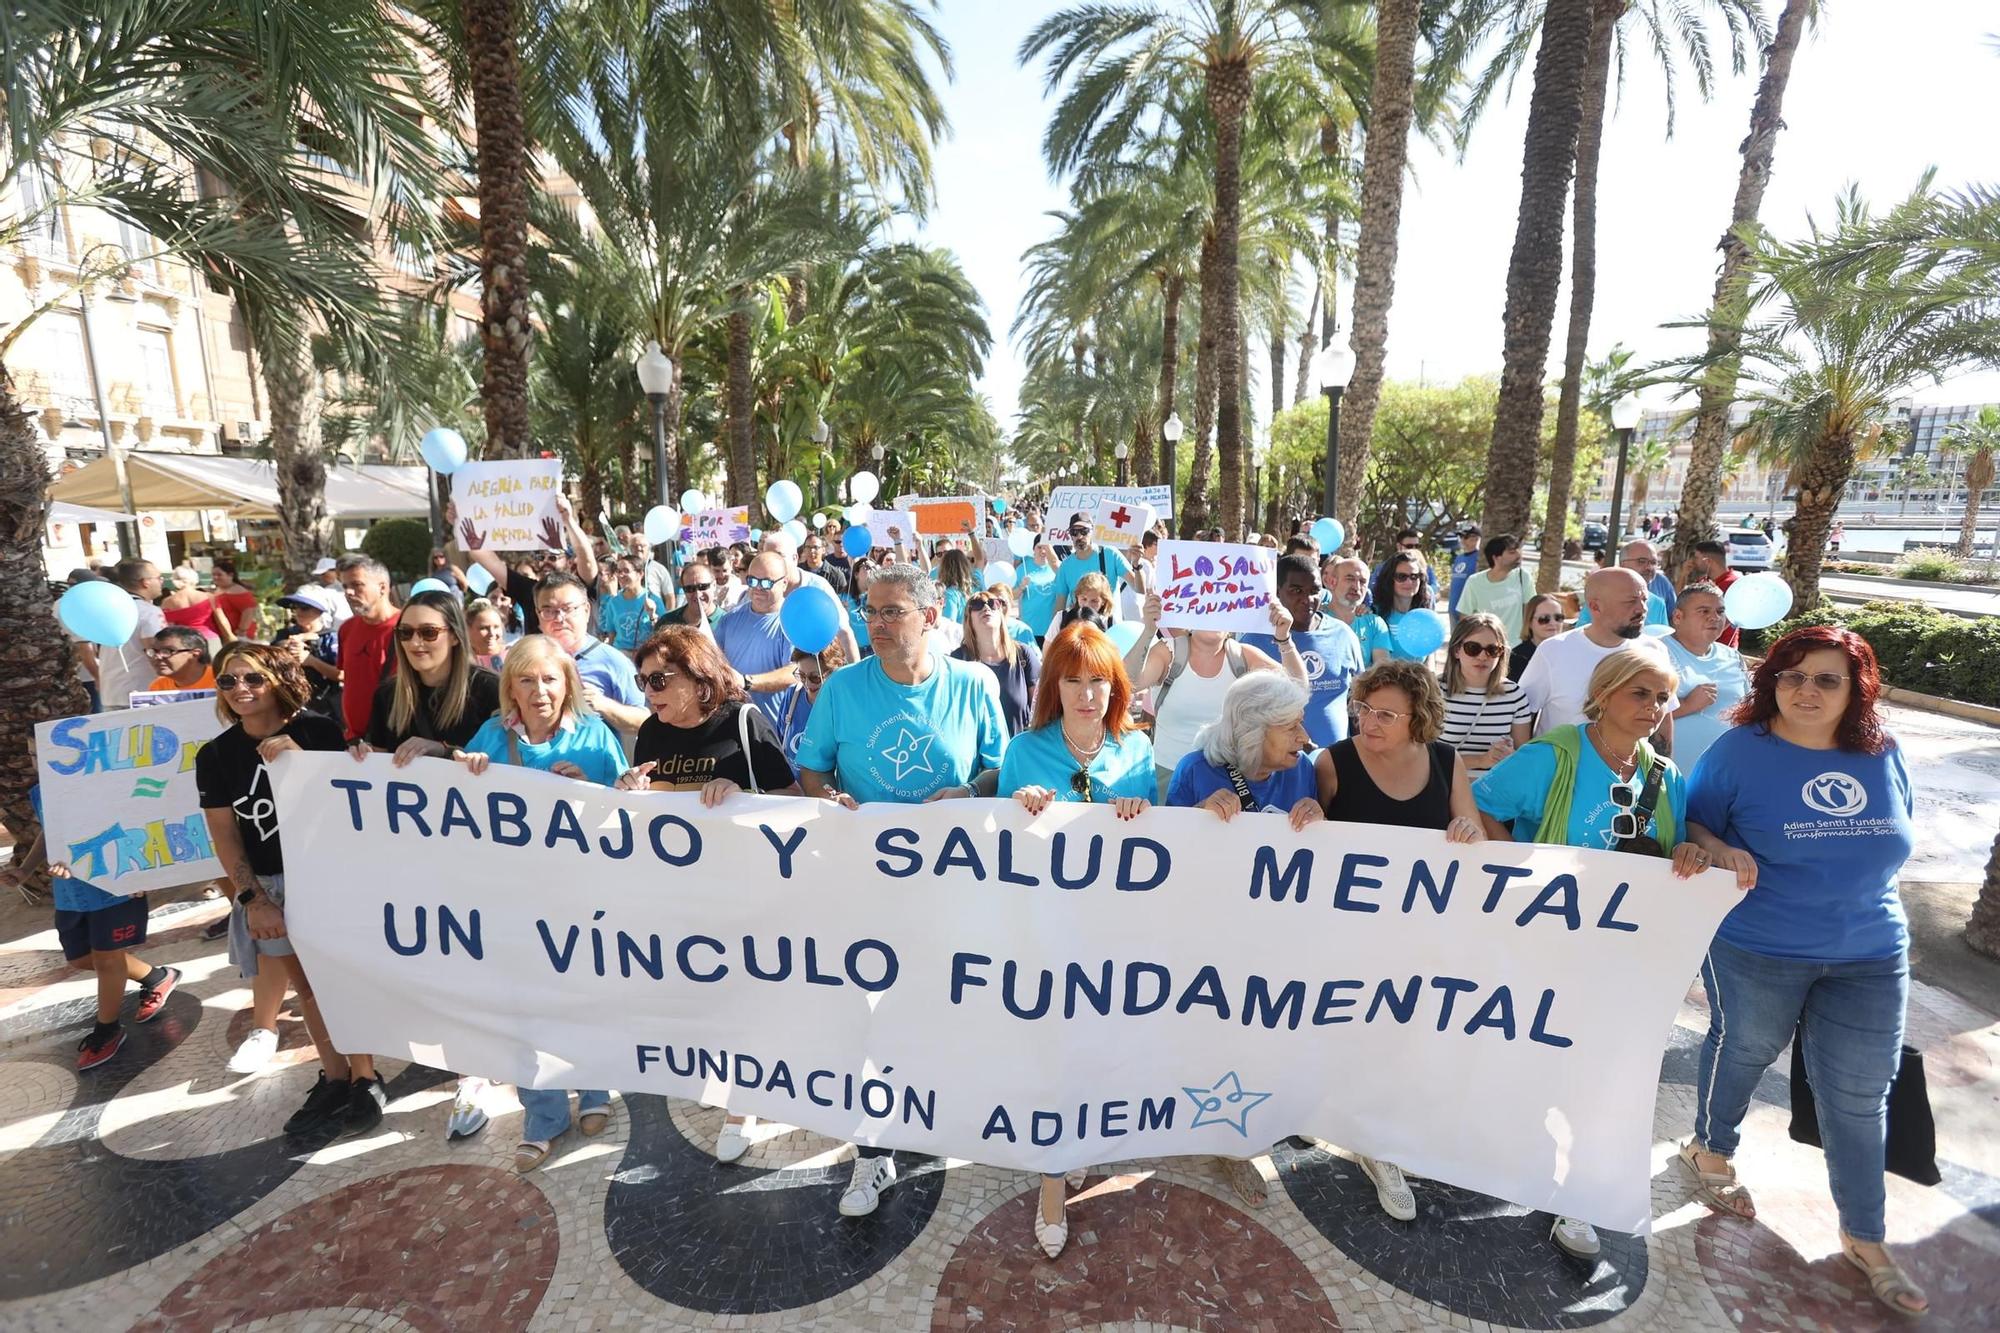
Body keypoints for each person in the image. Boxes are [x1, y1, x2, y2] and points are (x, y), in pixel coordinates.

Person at [1678, 626, 1924, 1318]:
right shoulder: (1739, 751)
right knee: (1746, 1046)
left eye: (1827, 678)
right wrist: (1719, 848)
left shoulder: (1884, 752)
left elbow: (1899, 832)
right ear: (1770, 681)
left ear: (1858, 688)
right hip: (1760, 943)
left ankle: (1865, 1235)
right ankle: (1710, 1150)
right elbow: (1693, 825)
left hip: (1872, 950)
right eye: (1792, 675)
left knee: (1858, 1092)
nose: (1807, 690)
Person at [1473, 646, 1709, 1262]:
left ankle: (1571, 1194)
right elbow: (1481, 807)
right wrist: (1520, 874)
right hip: (1544, 944)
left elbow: (1670, 847)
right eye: (1641, 693)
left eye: (1662, 698)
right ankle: (1490, 1148)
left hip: (1623, 955)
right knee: (1532, 1058)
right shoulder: (1551, 758)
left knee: (1598, 1075)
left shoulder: (1666, 776)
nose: (1653, 709)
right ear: (1603, 693)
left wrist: (1688, 855)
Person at [794, 563, 1006, 1218]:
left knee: (947, 1003)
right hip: (868, 887)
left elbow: (1001, 766)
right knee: (870, 1015)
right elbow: (811, 769)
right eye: (871, 610)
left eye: (892, 611)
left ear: (931, 617)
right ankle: (874, 1151)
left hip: (954, 885)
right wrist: (830, 799)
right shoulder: (840, 689)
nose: (877, 624)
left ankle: (946, 1115)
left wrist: (968, 793)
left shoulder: (974, 684)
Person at [612, 625, 800, 1162]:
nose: (649, 692)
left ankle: (744, 1104)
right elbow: (646, 807)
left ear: (698, 678)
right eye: (642, 680)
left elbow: (790, 802)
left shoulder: (742, 721)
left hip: (747, 892)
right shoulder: (651, 731)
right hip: (682, 895)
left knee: (749, 993)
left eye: (660, 679)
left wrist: (740, 795)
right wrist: (631, 791)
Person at [996, 621, 1153, 1257]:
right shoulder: (1022, 752)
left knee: (1096, 1051)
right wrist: (1018, 807)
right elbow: (999, 850)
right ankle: (1052, 1183)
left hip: (1113, 934)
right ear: (1052, 686)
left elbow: (1159, 849)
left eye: (1098, 681)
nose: (1086, 694)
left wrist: (1143, 816)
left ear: (1114, 687)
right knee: (1052, 1056)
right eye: (1073, 681)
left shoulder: (1137, 751)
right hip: (1043, 931)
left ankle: (1081, 1142)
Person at [1317, 658, 1483, 1223]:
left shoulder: (1445, 760)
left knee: (1406, 1035)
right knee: (1352, 1033)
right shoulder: (1333, 761)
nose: (1370, 722)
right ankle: (1362, 1135)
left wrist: (1466, 831)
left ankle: (1389, 1138)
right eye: (1364, 708)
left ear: (1420, 719)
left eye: (1386, 714)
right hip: (1346, 934)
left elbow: (1473, 831)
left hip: (1421, 933)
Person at [453, 638, 624, 1169]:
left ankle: (595, 1092)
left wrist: (592, 787)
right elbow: (456, 804)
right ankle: (543, 1115)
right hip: (513, 899)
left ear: (567, 684)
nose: (540, 690)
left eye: (550, 679)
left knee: (584, 998)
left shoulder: (596, 737)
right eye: (527, 680)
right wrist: (466, 771)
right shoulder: (490, 736)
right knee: (523, 1007)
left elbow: (627, 811)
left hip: (581, 898)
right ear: (511, 688)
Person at [195, 642, 374, 1135]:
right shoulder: (215, 755)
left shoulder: (317, 731)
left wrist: (307, 762)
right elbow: (225, 833)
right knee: (309, 987)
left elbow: (350, 807)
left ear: (277, 679)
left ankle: (366, 1077)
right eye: (228, 681)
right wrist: (252, 898)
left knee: (337, 980)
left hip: (326, 876)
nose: (240, 690)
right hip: (268, 885)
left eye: (251, 678)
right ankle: (336, 1077)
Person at [1165, 671, 1323, 1210]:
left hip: (1272, 938)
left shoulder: (1300, 771)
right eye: (1291, 727)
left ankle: (1249, 1133)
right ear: (1255, 730)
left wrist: (1320, 819)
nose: (1304, 737)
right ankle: (1204, 1128)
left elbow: (1317, 853)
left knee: (1260, 1035)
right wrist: (1196, 821)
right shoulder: (1196, 770)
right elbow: (1162, 859)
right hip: (1207, 935)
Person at [5, 754, 181, 1071]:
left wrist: (142, 871)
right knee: (80, 958)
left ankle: (107, 1030)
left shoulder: (107, 783)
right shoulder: (42, 789)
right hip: (71, 894)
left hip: (116, 889)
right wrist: (25, 870)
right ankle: (157, 977)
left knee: (107, 958)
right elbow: (51, 832)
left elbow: (138, 821)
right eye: (32, 752)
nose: (39, 758)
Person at [1126, 590, 1305, 799]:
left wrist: (1284, 639)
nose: (1212, 613)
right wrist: (1149, 630)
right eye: (1205, 605)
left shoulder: (1242, 656)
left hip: (1227, 779)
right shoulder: (1168, 651)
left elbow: (1297, 689)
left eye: (1222, 607)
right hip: (1168, 774)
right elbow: (1128, 683)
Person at [1517, 568, 1672, 743]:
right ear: (1595, 606)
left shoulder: (1655, 650)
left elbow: (1664, 722)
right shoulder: (1553, 650)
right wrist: (1527, 764)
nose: (1642, 609)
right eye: (1630, 601)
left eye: (1644, 600)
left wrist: (1657, 771)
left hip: (1629, 770)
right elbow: (1521, 715)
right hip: (1559, 768)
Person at [1240, 554, 1364, 748]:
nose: (1308, 599)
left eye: (1314, 590)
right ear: (1277, 591)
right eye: (1296, 590)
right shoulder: (1254, 640)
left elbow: (1359, 702)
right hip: (1276, 767)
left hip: (1336, 766)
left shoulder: (1343, 635)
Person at [460, 492, 600, 636]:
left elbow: (587, 561)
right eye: (540, 557)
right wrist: (462, 521)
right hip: (537, 657)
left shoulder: (579, 586)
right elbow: (488, 560)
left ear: (569, 561)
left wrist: (568, 521)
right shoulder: (528, 589)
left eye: (553, 558)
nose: (546, 562)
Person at [534, 572, 650, 734]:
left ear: (586, 610)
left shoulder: (612, 660)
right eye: (548, 611)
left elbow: (644, 720)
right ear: (537, 614)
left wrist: (602, 704)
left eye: (568, 609)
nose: (559, 619)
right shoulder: (528, 659)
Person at [715, 549, 810, 731]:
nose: (758, 588)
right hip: (734, 726)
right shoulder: (729, 619)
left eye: (766, 582)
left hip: (776, 731)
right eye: (752, 581)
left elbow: (796, 672)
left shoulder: (793, 622)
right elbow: (713, 662)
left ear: (784, 583)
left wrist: (747, 682)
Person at [1661, 581, 1750, 771]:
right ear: (1678, 616)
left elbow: (1748, 711)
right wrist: (1687, 706)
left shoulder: (1733, 656)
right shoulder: (1655, 652)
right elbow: (1630, 712)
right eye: (1704, 611)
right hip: (1670, 779)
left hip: (1725, 775)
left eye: (1720, 611)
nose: (1715, 618)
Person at [1438, 613, 1533, 769]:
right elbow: (1422, 755)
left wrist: (1510, 755)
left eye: (1492, 650)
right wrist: (1480, 760)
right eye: (1472, 648)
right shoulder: (1434, 691)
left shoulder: (1514, 695)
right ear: (1456, 650)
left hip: (1495, 789)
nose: (1482, 656)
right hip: (1445, 787)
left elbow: (1522, 757)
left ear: (1501, 653)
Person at [953, 584, 1042, 734]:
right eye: (977, 605)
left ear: (1001, 614)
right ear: (968, 619)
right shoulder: (958, 660)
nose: (986, 608)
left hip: (1016, 752)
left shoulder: (1023, 654)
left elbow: (1039, 709)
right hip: (976, 754)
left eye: (993, 604)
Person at [334, 554, 399, 743]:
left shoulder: (408, 629)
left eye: (357, 585)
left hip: (395, 742)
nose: (349, 592)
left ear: (382, 587)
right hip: (355, 743)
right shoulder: (347, 629)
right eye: (345, 586)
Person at [100, 559, 166, 709]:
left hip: (112, 691)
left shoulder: (110, 610)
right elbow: (155, 652)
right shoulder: (148, 612)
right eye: (158, 577)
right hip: (143, 692)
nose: (162, 581)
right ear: (145, 582)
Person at [1453, 533, 1537, 644]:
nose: (1519, 555)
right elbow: (1465, 616)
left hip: (1517, 648)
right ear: (1496, 558)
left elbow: (1531, 609)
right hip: (1487, 649)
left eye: (1519, 550)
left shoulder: (1523, 577)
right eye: (1512, 552)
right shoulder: (1475, 582)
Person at [1356, 550, 1437, 664]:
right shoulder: (1374, 615)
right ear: (1389, 580)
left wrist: (1430, 677)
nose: (1409, 582)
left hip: (1419, 679)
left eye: (1414, 576)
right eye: (1401, 577)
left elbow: (1430, 653)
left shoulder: (1424, 615)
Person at [1052, 513, 1142, 613]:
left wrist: (1137, 565)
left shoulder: (1110, 554)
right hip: (1082, 626)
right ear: (1070, 535)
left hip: (1109, 625)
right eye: (1074, 532)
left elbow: (1139, 589)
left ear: (1093, 531)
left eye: (1084, 531)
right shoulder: (1066, 566)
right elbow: (1059, 607)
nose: (1079, 536)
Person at [774, 641, 845, 761]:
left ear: (833, 672)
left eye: (815, 677)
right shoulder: (793, 695)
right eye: (801, 675)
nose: (807, 684)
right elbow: (779, 744)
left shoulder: (844, 704)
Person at [1576, 540, 1670, 626]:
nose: (1649, 567)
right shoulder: (1601, 598)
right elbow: (1581, 637)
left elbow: (1664, 639)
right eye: (1642, 561)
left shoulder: (1658, 604)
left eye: (1653, 562)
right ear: (1623, 564)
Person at [596, 554, 667, 656]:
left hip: (646, 655)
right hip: (621, 655)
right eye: (619, 571)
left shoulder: (653, 600)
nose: (621, 575)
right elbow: (612, 634)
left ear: (640, 574)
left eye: (626, 571)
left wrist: (652, 616)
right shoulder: (613, 602)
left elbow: (663, 632)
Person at [160, 564, 233, 650]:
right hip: (210, 639)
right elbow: (222, 620)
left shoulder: (167, 602)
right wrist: (230, 637)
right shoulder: (209, 597)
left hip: (185, 642)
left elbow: (169, 627)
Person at [1687, 540, 1742, 649]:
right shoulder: (1704, 581)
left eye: (1697, 558)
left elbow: (1730, 619)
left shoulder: (1732, 584)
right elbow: (1683, 602)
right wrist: (1684, 575)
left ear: (1707, 561)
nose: (1693, 562)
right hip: (1701, 646)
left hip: (1722, 647)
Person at [1510, 593, 1566, 682]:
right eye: (1544, 618)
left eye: (1558, 617)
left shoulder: (1571, 651)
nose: (1552, 623)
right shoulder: (1515, 659)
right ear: (1529, 622)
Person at [143, 626, 217, 693]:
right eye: (153, 651)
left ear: (195, 654)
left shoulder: (220, 680)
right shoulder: (159, 687)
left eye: (167, 651)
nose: (157, 657)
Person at [1015, 539, 1061, 640]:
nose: (1043, 551)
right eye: (1039, 547)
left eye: (1046, 547)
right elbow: (1012, 595)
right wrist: (1021, 586)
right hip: (1029, 627)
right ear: (1033, 549)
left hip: (1051, 628)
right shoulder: (1022, 569)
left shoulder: (1058, 568)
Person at [210, 558, 263, 638]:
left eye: (219, 575)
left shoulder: (238, 591)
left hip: (239, 635)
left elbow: (248, 611)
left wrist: (241, 630)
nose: (215, 577)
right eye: (213, 575)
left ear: (230, 575)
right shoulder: (219, 589)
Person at [1322, 556, 1371, 629]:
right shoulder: (1314, 619)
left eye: (1362, 582)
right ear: (1332, 582)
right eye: (1350, 579)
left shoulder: (1373, 624)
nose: (1356, 587)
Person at [1446, 524, 1482, 621]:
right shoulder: (1459, 557)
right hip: (1453, 608)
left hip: (1468, 612)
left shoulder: (1480, 558)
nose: (1462, 540)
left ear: (1476, 538)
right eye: (1461, 536)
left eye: (1465, 537)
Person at [465, 597, 512, 670]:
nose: (492, 633)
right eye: (484, 628)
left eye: (496, 627)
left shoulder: (514, 657)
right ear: (468, 629)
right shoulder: (460, 661)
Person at [935, 547, 977, 624]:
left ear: (944, 569)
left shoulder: (950, 595)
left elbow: (949, 627)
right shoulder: (975, 588)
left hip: (959, 635)